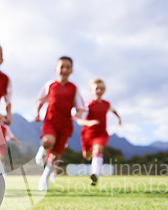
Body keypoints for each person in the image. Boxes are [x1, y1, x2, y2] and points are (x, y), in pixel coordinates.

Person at [34, 56, 87, 191]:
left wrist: (78, 114)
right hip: (50, 121)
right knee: (47, 142)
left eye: (67, 67)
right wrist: (37, 113)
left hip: (65, 125)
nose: (64, 69)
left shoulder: (74, 88)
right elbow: (40, 100)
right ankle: (41, 152)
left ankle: (44, 178)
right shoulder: (50, 85)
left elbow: (80, 106)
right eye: (61, 66)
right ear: (56, 69)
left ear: (71, 70)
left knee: (55, 155)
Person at [78, 78, 121, 186]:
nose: (99, 91)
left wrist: (118, 118)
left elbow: (113, 110)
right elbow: (80, 121)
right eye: (97, 88)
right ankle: (93, 164)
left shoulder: (106, 104)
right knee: (86, 155)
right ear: (91, 90)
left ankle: (95, 174)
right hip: (88, 135)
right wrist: (89, 122)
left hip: (101, 134)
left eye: (102, 89)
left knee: (98, 150)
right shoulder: (87, 105)